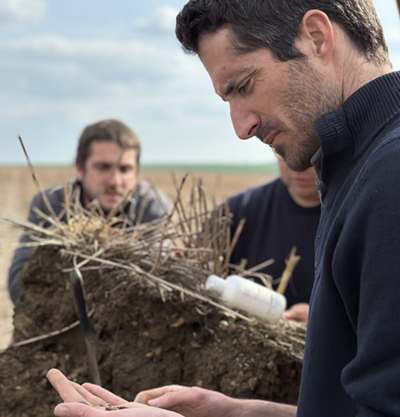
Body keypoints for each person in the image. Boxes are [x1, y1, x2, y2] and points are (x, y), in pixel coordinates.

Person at [47, 0, 400, 416]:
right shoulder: (360, 170)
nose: (241, 127)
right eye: (227, 100)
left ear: (317, 37)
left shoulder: (389, 178)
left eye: (244, 84)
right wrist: (241, 413)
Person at [8, 119, 172, 304]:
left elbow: (157, 291)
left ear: (136, 173)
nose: (115, 181)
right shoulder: (50, 205)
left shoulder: (153, 208)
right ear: (79, 169)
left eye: (125, 169)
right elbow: (18, 285)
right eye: (103, 167)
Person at [228, 157, 320, 322]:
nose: (299, 167)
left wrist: (326, 320)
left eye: (313, 155)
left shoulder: (359, 216)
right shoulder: (238, 211)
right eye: (285, 153)